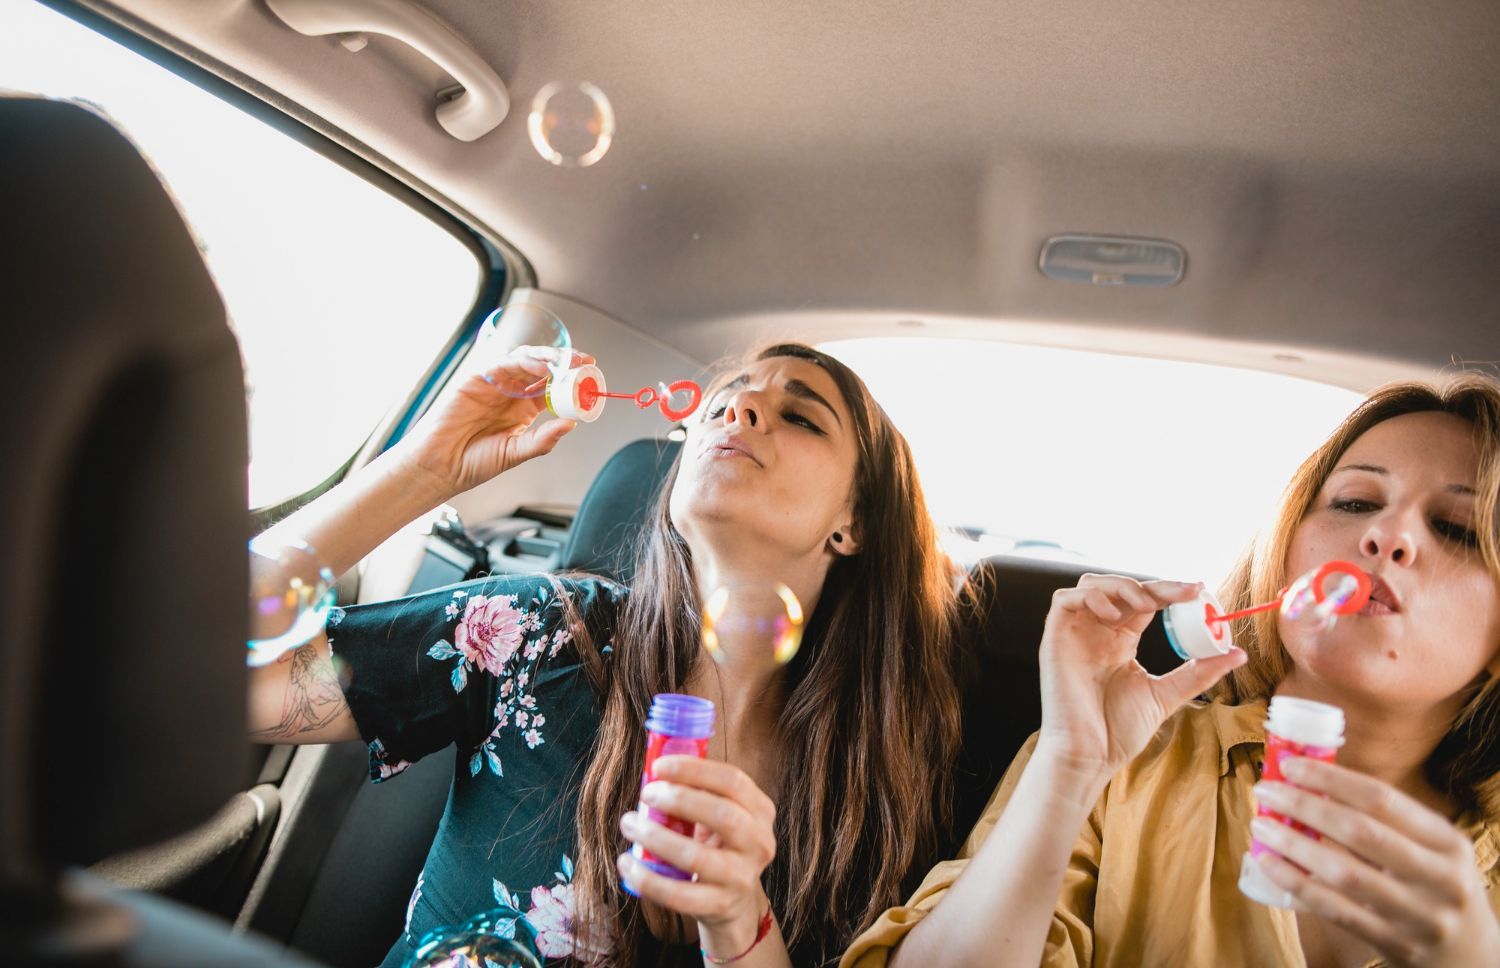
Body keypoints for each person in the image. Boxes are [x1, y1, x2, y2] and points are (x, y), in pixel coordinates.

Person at [248, 341, 965, 967]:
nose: (739, 411)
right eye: (727, 398)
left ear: (855, 522)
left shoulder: (873, 783)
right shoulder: (542, 633)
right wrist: (424, 468)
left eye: (801, 415)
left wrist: (737, 920)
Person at [843, 374, 1500, 967]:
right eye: (1355, 502)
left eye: (1456, 528)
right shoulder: (1125, 765)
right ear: (1290, 546)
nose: (1388, 536)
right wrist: (1070, 769)